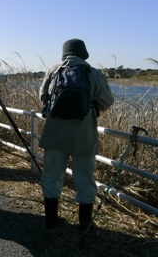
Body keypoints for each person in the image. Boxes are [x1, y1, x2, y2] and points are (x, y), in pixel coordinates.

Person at [39, 38, 114, 231]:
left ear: (64, 54)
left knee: (52, 176)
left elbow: (42, 98)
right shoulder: (94, 74)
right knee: (85, 178)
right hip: (84, 134)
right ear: (84, 53)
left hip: (54, 133)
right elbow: (106, 101)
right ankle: (84, 223)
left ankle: (50, 220)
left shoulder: (53, 71)